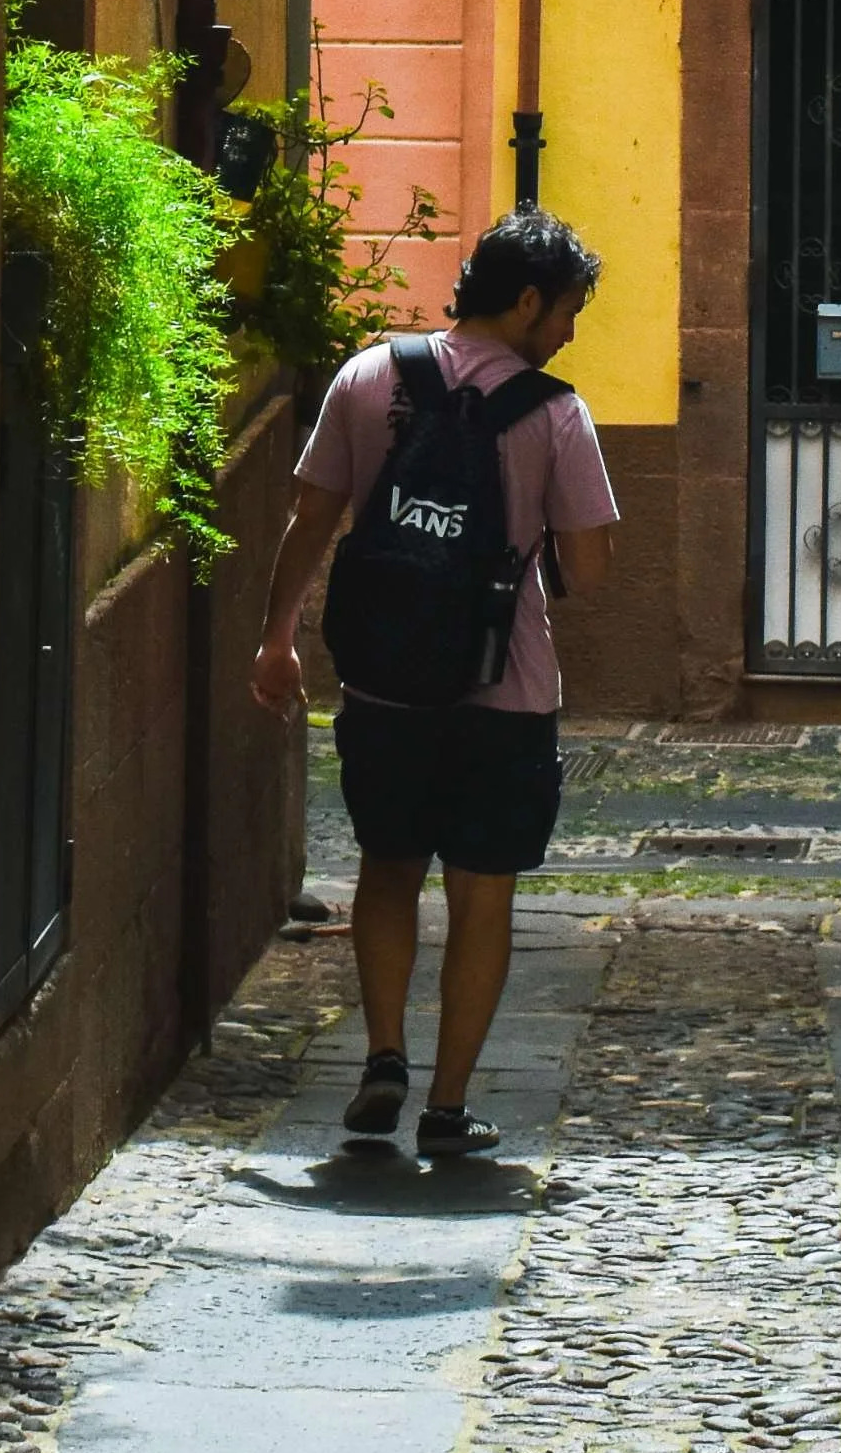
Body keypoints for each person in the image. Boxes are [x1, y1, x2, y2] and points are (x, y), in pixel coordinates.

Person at [250, 202, 617, 1154]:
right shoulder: (557, 412)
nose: (568, 333)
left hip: (382, 684)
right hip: (504, 690)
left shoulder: (369, 377)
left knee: (387, 866)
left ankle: (383, 1055)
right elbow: (589, 571)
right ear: (527, 301)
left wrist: (277, 638)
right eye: (566, 312)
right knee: (482, 893)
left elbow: (310, 517)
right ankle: (447, 1108)